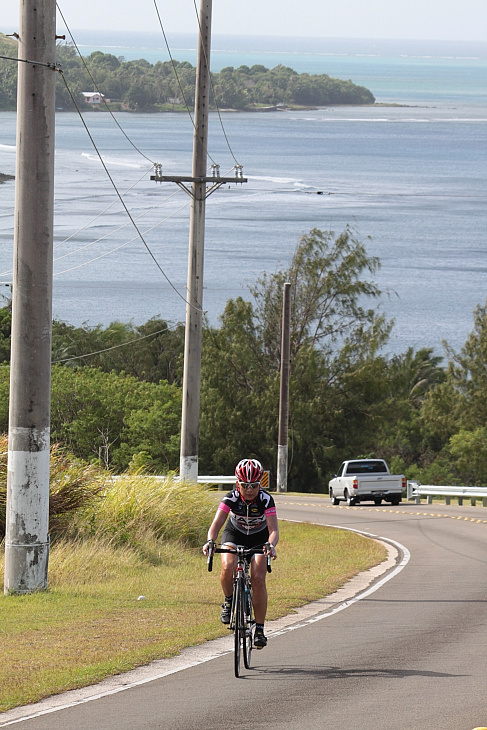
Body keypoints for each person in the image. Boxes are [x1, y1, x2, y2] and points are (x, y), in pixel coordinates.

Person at [203, 458, 279, 649]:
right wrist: (211, 541)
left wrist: (271, 545)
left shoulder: (266, 500)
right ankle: (229, 601)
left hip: (259, 537)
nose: (250, 489)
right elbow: (216, 525)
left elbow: (273, 530)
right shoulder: (231, 498)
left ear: (259, 484)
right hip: (234, 534)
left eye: (254, 485)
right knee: (228, 566)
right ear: (238, 484)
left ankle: (260, 629)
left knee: (258, 577)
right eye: (245, 485)